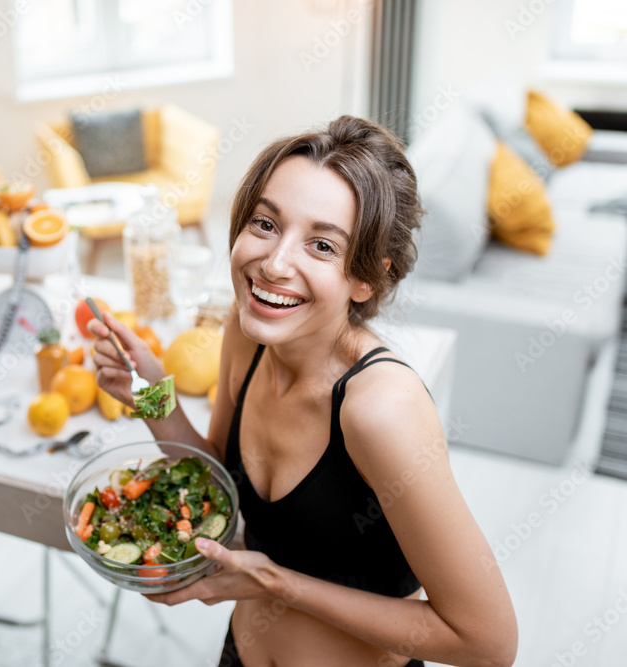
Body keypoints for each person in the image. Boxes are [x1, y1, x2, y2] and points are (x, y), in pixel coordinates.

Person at [88, 116, 518, 667]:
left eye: (320, 245)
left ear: (367, 277)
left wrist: (277, 584)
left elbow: (487, 643)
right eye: (265, 224)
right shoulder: (246, 338)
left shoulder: (379, 409)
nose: (274, 262)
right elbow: (219, 475)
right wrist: (150, 397)